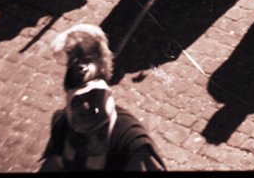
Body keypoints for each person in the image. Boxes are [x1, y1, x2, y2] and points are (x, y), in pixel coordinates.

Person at [39, 24, 165, 171]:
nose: (87, 107)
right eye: (78, 99)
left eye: (95, 95)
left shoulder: (132, 145)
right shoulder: (61, 124)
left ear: (106, 92)